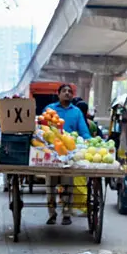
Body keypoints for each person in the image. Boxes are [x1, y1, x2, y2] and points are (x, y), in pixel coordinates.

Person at [45, 83, 91, 225]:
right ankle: (52, 214)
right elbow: (42, 129)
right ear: (58, 94)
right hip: (52, 153)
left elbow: (84, 132)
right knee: (50, 185)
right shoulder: (50, 109)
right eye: (64, 91)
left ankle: (66, 213)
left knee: (67, 184)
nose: (67, 93)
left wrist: (90, 142)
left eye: (70, 91)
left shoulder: (76, 112)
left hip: (69, 154)